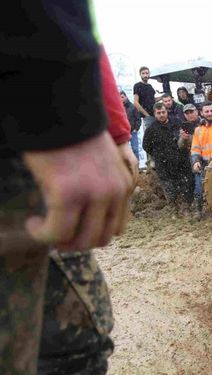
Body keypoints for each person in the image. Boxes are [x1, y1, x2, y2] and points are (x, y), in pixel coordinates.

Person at [1, 2, 133, 373]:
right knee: (67, 348)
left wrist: (114, 129)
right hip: (19, 146)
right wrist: (61, 113)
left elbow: (88, 36)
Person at [142, 103, 194, 216]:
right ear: (154, 114)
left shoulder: (177, 122)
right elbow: (146, 146)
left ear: (167, 112)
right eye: (158, 113)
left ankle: (186, 207)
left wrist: (184, 139)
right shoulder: (151, 129)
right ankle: (173, 209)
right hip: (163, 163)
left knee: (186, 183)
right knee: (169, 187)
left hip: (181, 160)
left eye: (163, 112)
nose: (161, 115)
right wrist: (158, 154)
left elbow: (188, 137)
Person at [121, 90, 141, 160]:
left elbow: (138, 118)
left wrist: (136, 128)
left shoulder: (132, 106)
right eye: (120, 97)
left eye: (122, 97)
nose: (121, 99)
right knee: (123, 151)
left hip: (132, 132)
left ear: (126, 97)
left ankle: (137, 169)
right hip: (123, 133)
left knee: (135, 150)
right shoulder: (119, 108)